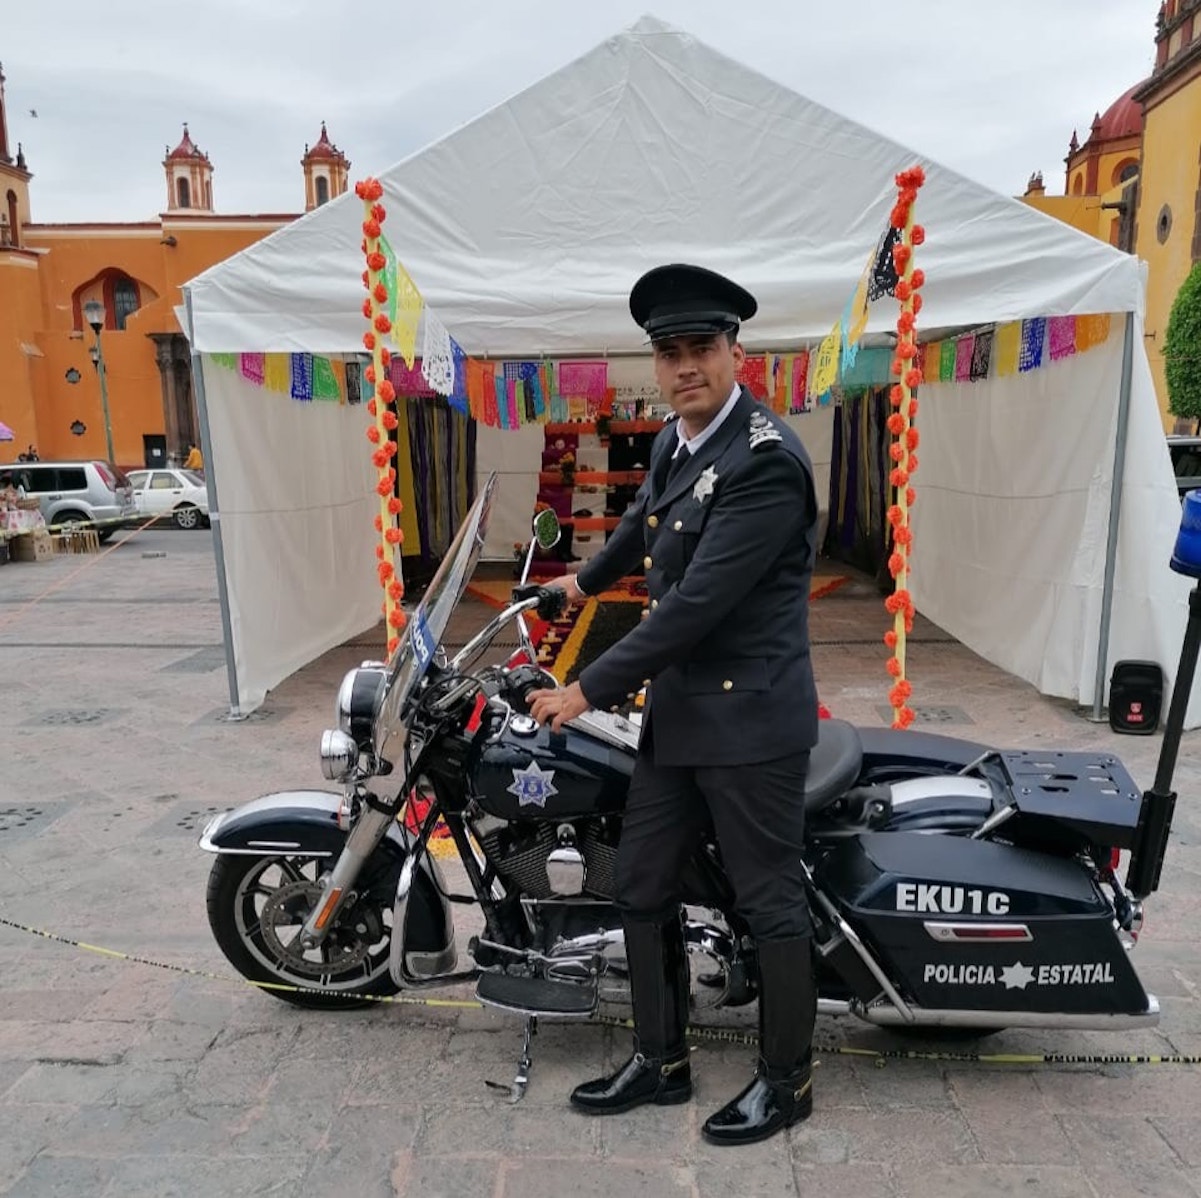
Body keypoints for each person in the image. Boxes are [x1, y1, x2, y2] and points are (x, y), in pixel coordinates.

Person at [528, 263, 820, 1146]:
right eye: (669, 353)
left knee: (767, 900)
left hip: (752, 723)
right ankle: (661, 1062)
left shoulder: (765, 463)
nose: (685, 366)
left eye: (701, 348)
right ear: (654, 365)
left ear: (737, 352)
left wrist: (582, 690)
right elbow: (642, 526)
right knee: (644, 884)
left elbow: (696, 609)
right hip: (681, 718)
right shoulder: (674, 440)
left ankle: (787, 1080)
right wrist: (575, 584)